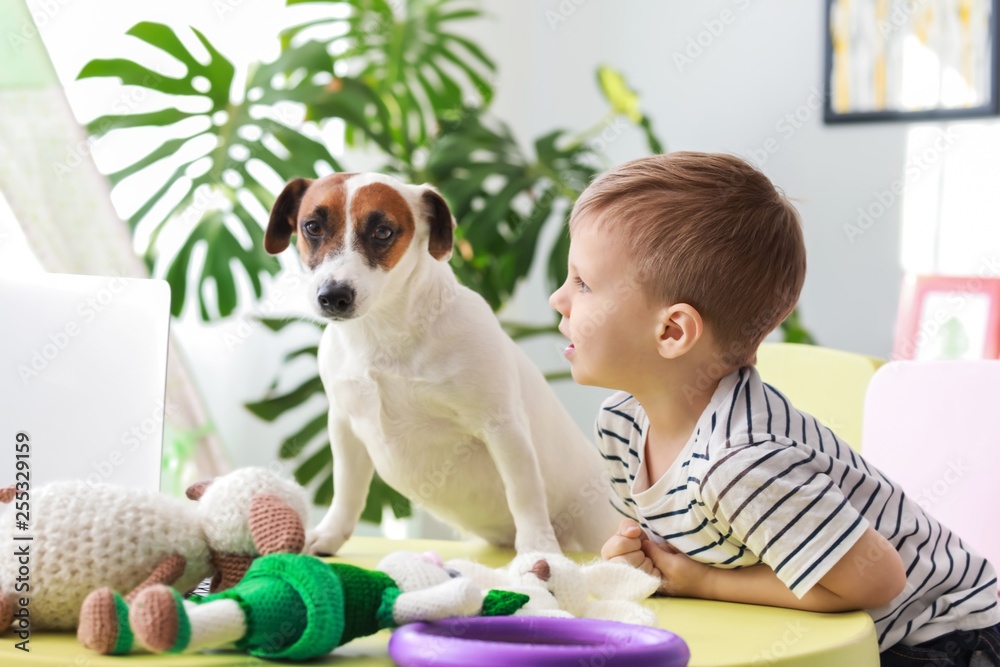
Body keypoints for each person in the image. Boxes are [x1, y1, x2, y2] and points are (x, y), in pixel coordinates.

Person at [548, 152, 1000, 665]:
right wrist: (634, 558)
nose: (557, 299)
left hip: (941, 635)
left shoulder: (739, 464)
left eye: (582, 283)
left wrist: (703, 581)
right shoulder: (622, 423)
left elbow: (877, 581)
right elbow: (663, 550)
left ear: (672, 332)